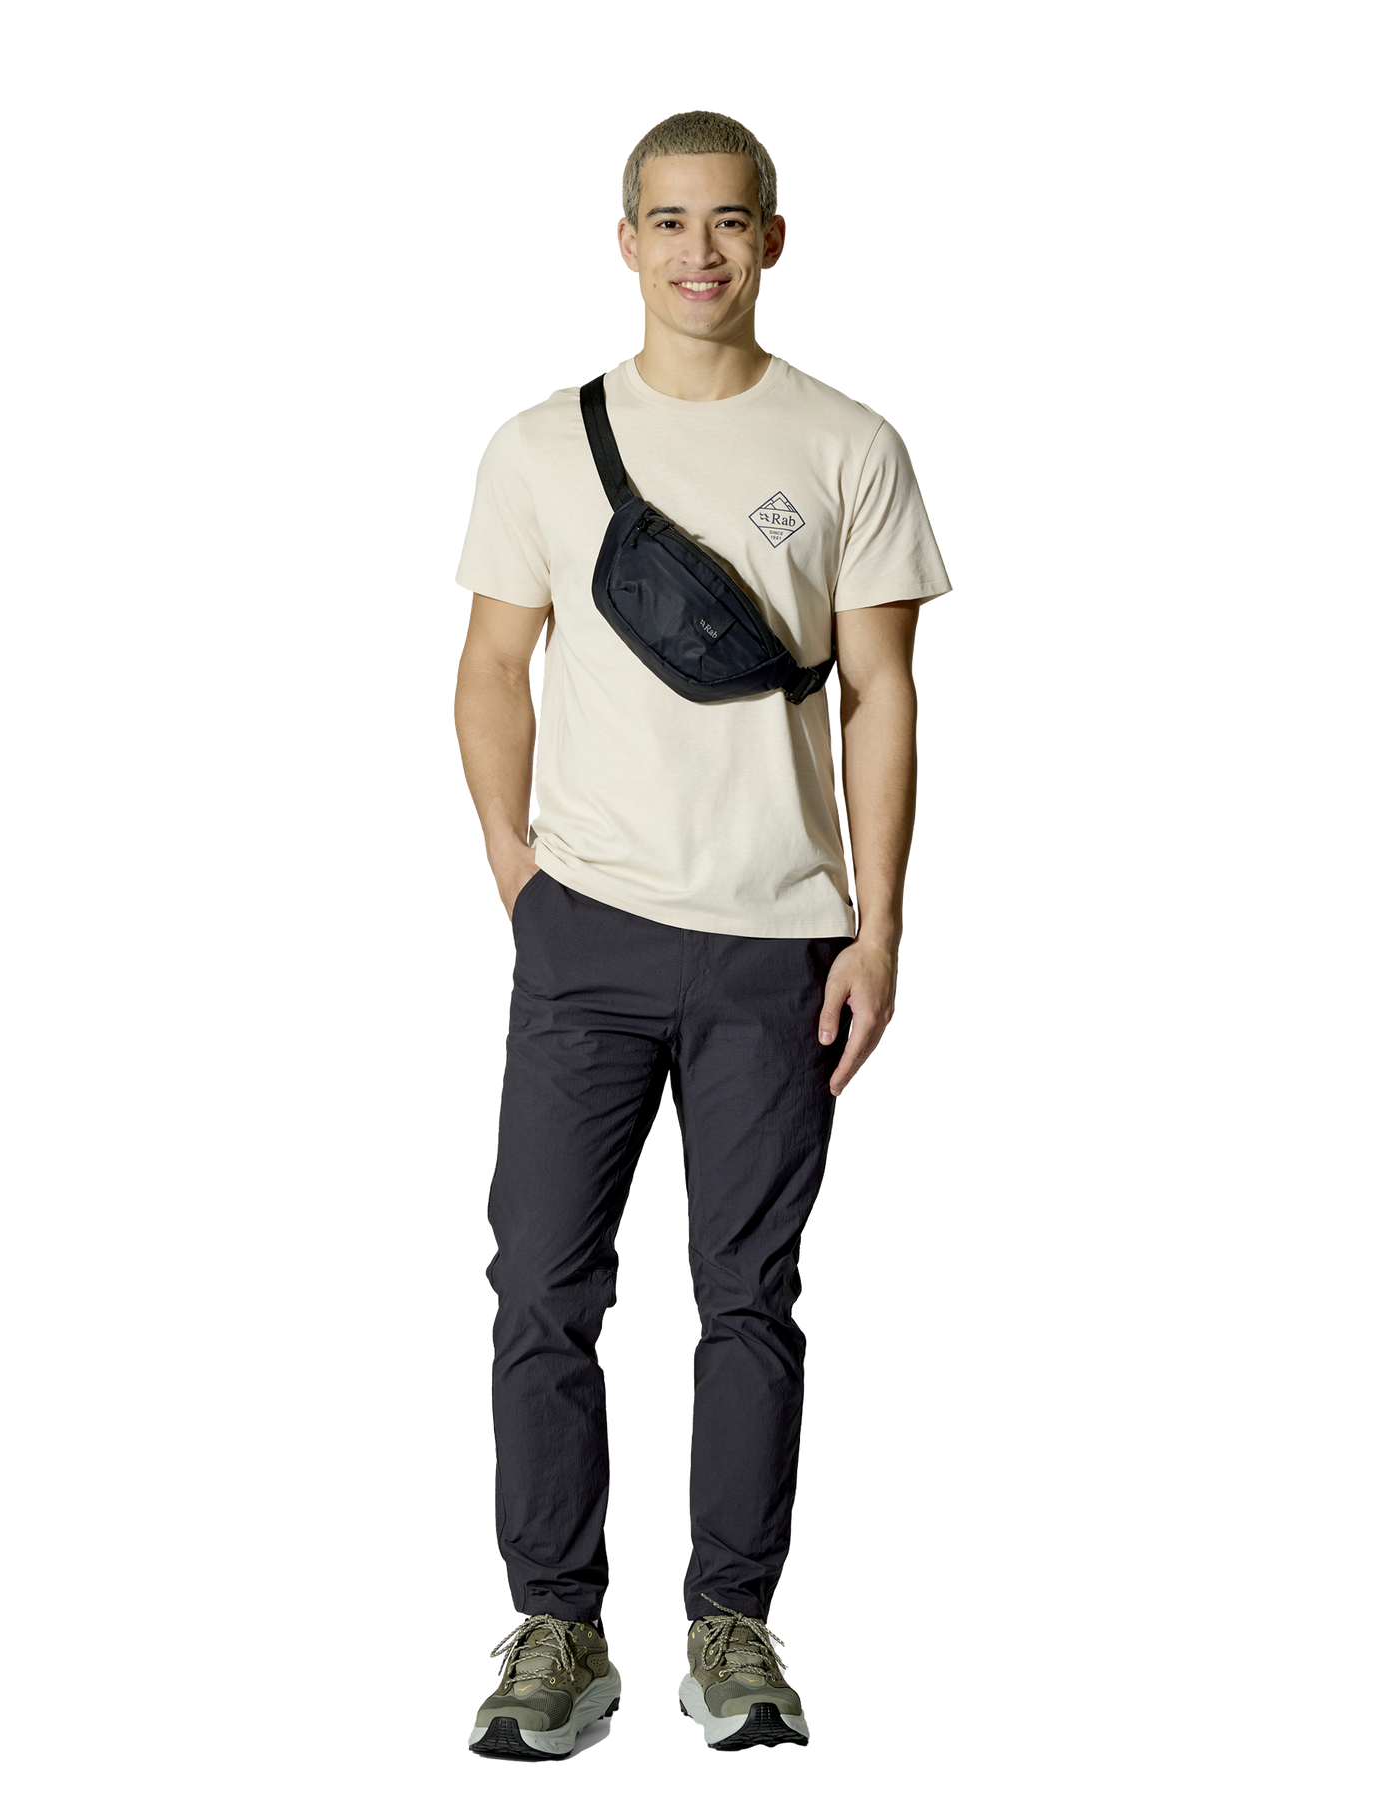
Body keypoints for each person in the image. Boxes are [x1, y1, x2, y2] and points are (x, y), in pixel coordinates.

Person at [451, 108, 954, 1763]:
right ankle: (556, 1630)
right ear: (623, 240)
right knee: (540, 1283)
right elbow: (491, 665)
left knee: (748, 1294)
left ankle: (731, 1630)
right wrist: (517, 866)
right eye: (668, 221)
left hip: (778, 942)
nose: (698, 251)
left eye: (729, 221)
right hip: (583, 934)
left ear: (775, 240)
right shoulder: (539, 443)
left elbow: (881, 692)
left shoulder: (849, 439)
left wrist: (877, 927)